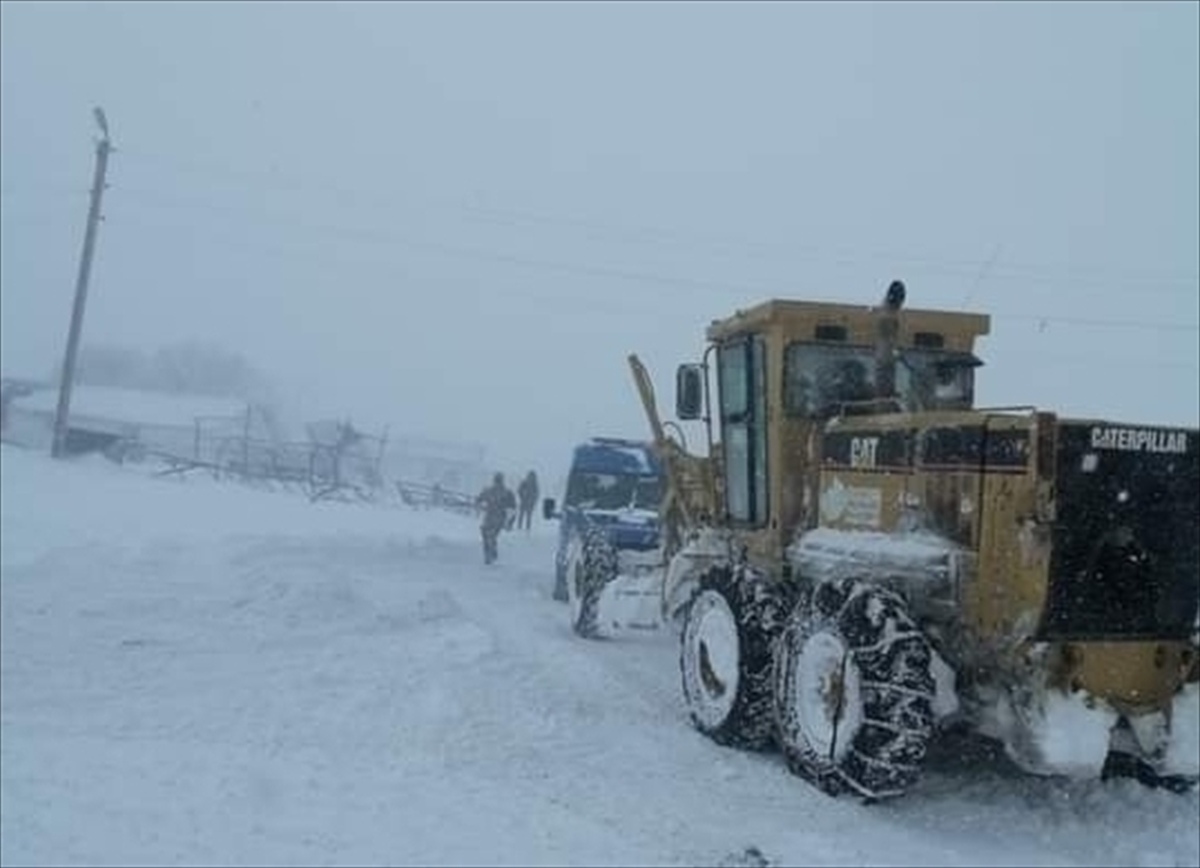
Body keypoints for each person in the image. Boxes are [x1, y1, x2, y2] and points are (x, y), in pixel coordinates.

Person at [476, 472, 517, 565]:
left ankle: (489, 553)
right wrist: (510, 522)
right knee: (489, 534)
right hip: (497, 518)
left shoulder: (492, 491)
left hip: (493, 517)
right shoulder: (505, 492)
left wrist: (480, 506)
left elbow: (479, 499)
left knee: (487, 534)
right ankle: (491, 552)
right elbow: (513, 508)